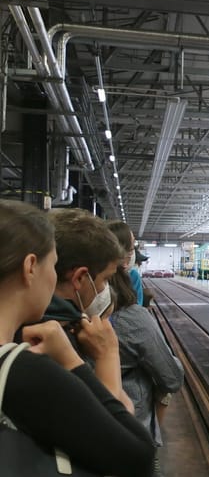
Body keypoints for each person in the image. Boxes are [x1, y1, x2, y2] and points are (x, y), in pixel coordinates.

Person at [0, 199, 155, 476]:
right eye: (53, 264)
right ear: (31, 267)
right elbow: (136, 455)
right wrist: (86, 360)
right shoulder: (31, 365)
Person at [106, 221, 184, 476]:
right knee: (166, 372)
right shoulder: (131, 316)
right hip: (130, 418)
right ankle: (150, 449)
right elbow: (172, 378)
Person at [42, 208, 134, 412]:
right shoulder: (52, 343)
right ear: (80, 278)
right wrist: (107, 355)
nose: (105, 289)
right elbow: (120, 431)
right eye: (106, 279)